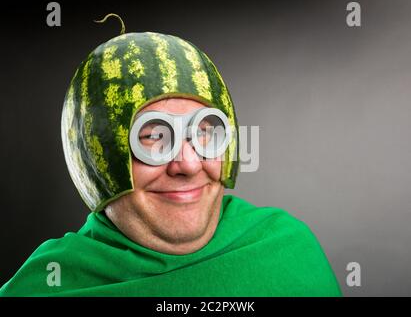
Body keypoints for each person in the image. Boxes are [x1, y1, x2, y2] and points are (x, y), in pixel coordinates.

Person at [0, 29, 341, 296]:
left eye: (206, 132)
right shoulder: (45, 285)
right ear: (97, 158)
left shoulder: (287, 251)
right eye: (152, 137)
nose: (189, 165)